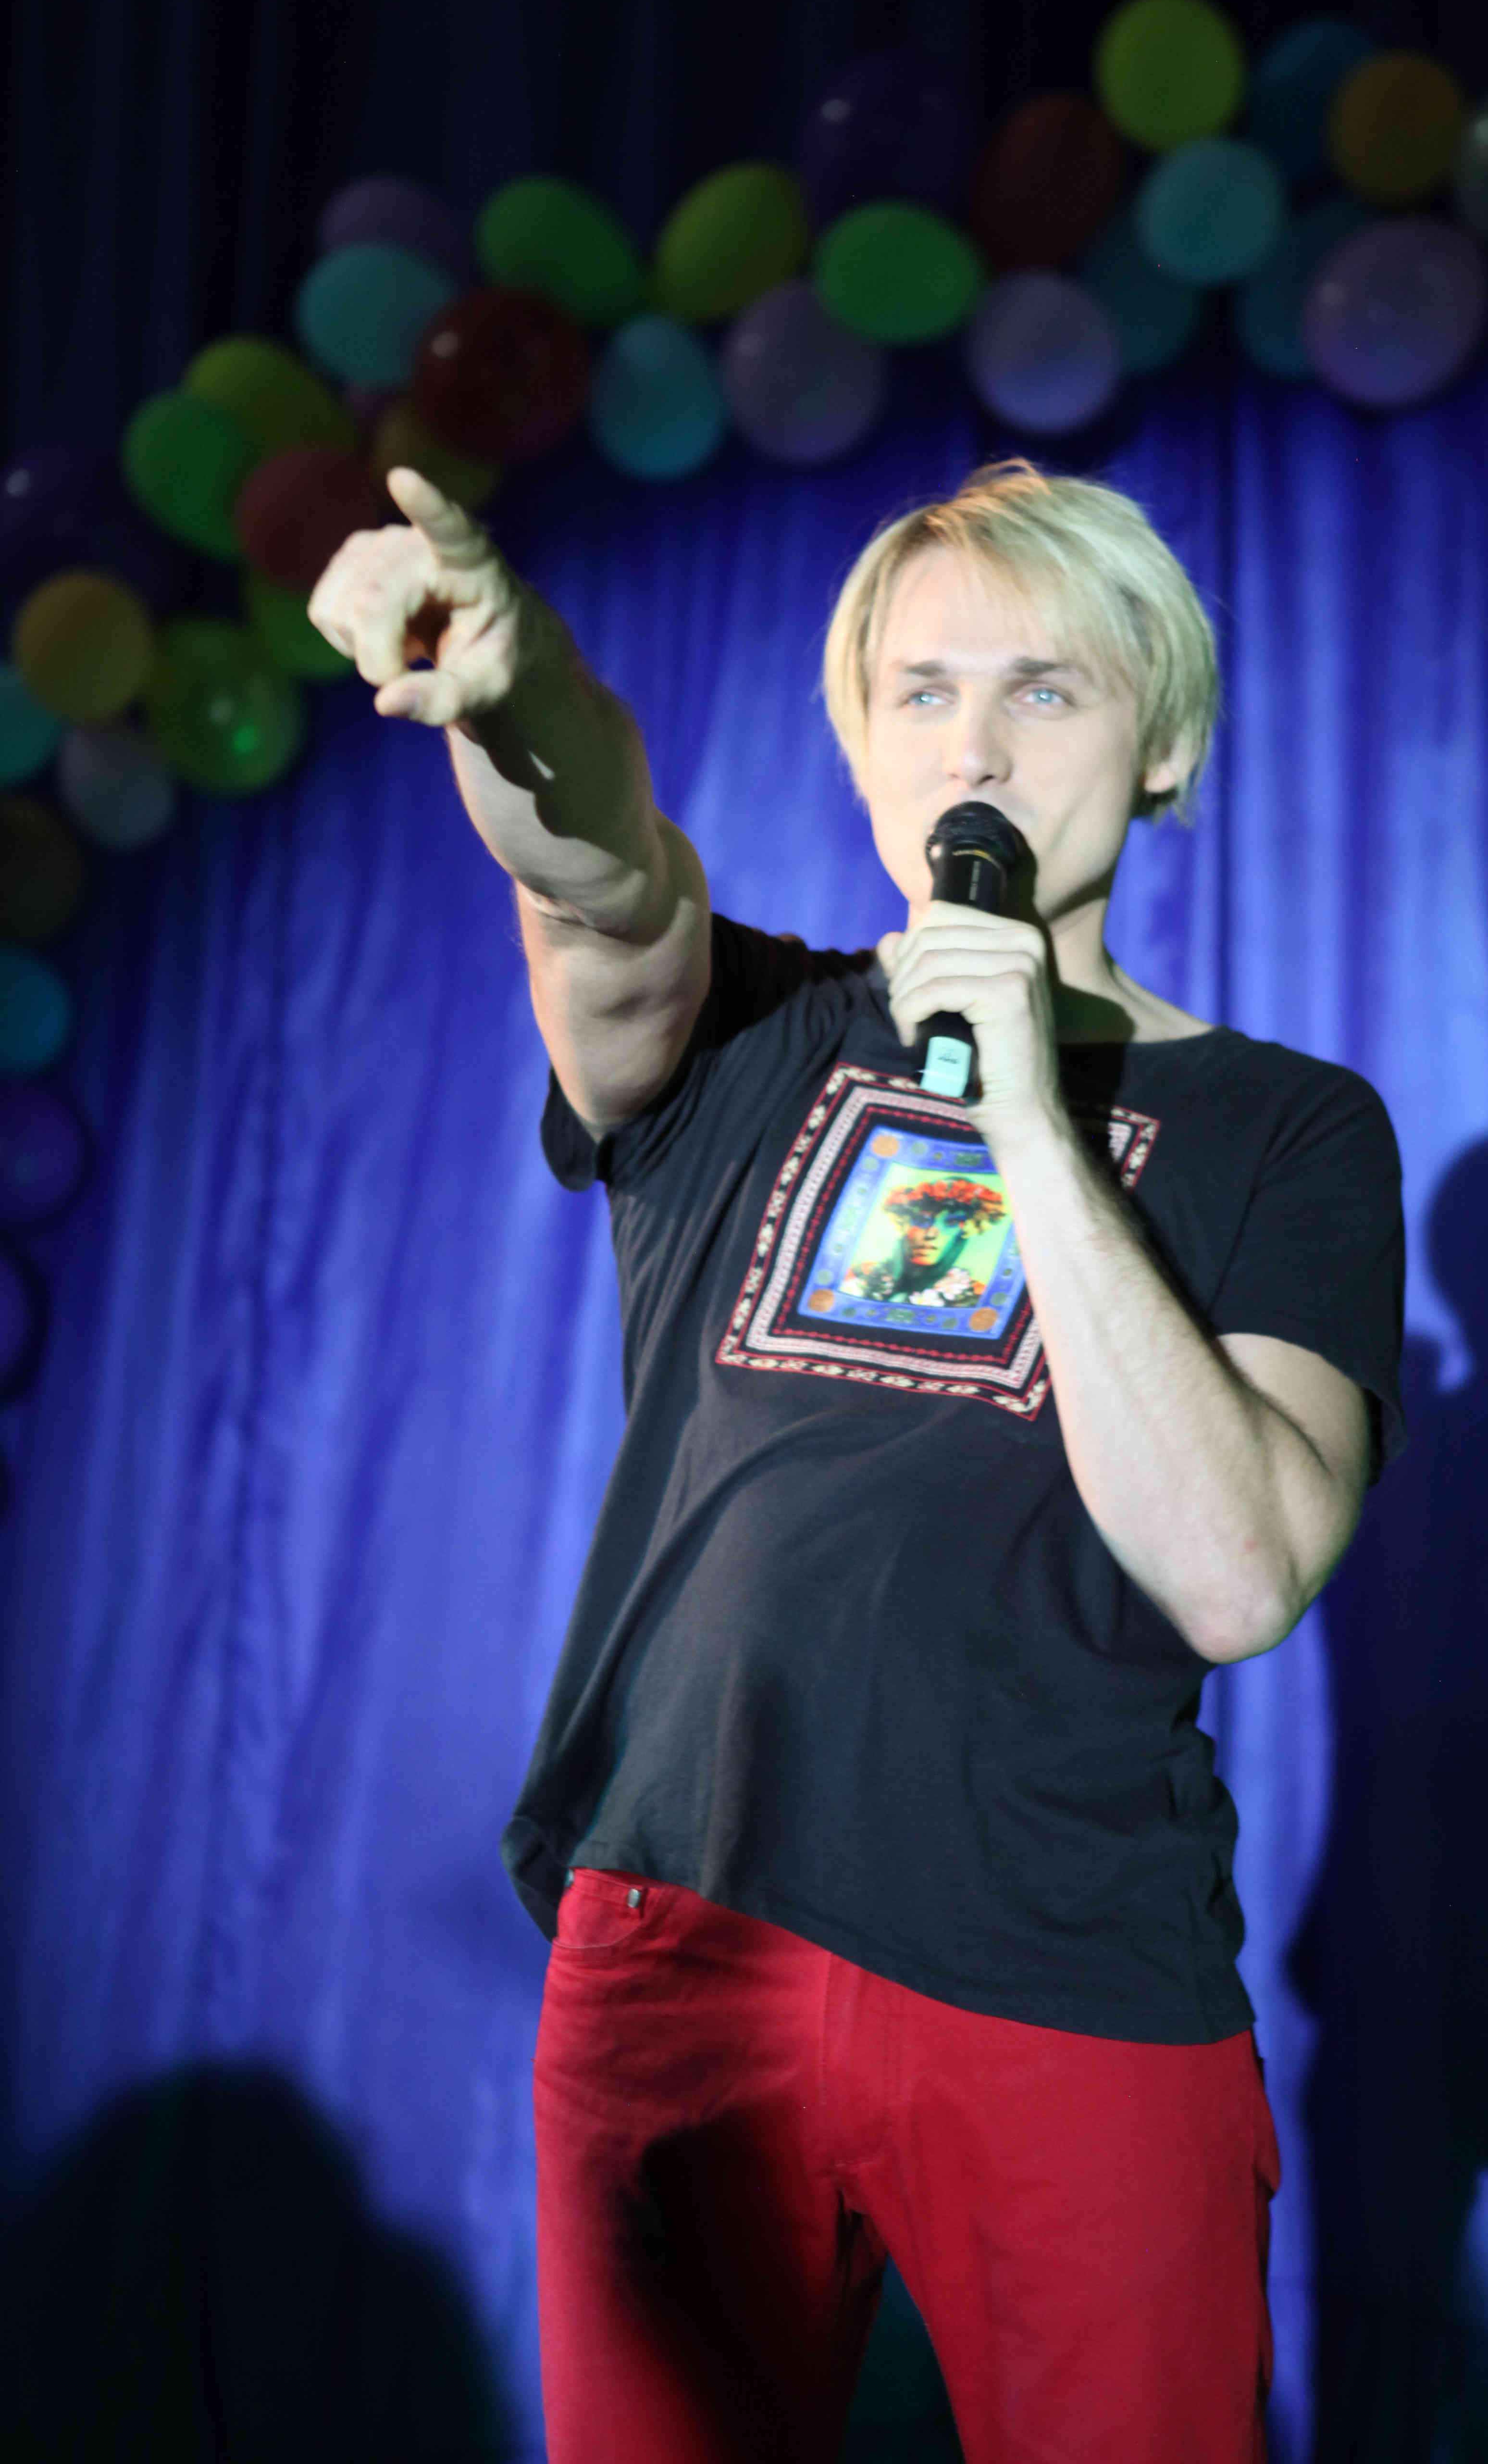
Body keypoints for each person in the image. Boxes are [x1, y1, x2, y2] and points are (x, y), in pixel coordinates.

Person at [310, 459, 1406, 2464]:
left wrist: (1031, 1124)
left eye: (1045, 689)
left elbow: (1237, 1571)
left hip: (1067, 1973)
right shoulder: (751, 1028)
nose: (974, 744)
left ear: (1162, 746)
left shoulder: (1290, 1130)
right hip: (686, 1942)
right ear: (867, 747)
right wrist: (512, 683)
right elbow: (599, 869)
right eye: (922, 692)